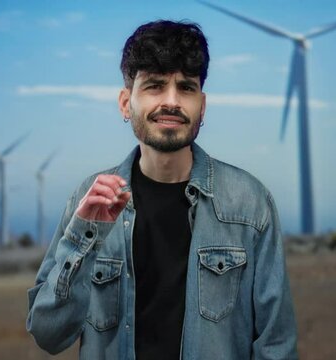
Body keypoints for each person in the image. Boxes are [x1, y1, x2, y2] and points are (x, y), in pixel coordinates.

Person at [26, 19, 298, 359]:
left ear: (203, 105)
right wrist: (84, 234)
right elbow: (48, 334)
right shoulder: (91, 198)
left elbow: (277, 346)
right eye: (154, 85)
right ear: (126, 103)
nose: (171, 101)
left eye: (186, 87)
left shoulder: (250, 203)